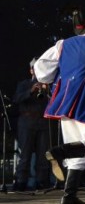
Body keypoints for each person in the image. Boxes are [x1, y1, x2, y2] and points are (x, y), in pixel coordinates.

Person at [34, 8, 85, 204]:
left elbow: (41, 70)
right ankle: (59, 152)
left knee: (78, 150)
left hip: (64, 101)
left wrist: (59, 76)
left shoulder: (62, 45)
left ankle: (69, 196)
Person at [11, 59, 52, 192]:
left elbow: (55, 101)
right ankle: (21, 181)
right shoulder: (23, 84)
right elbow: (16, 99)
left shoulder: (48, 85)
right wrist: (31, 90)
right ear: (31, 70)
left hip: (43, 122)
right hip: (26, 121)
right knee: (25, 154)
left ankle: (41, 181)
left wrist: (48, 91)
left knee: (43, 154)